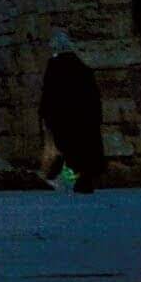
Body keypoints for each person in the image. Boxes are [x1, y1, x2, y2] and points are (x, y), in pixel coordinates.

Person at [39, 30, 105, 194]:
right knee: (84, 148)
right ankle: (83, 179)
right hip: (85, 117)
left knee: (67, 148)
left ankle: (68, 178)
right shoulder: (82, 66)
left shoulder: (55, 66)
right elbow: (93, 95)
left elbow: (49, 91)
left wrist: (44, 113)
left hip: (63, 116)